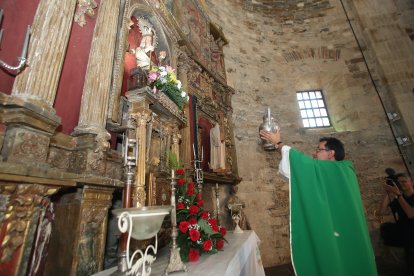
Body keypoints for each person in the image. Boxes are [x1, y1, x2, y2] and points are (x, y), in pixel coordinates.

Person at [259, 130, 377, 276]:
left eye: (318, 150)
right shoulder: (341, 171)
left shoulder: (342, 169)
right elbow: (296, 171)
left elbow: (300, 162)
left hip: (341, 228)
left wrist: (278, 144)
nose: (314, 154)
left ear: (331, 153)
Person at [377, 173, 414, 271]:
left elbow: (411, 214)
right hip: (408, 240)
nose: (401, 184)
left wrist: (398, 195)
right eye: (399, 182)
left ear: (412, 183)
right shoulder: (399, 199)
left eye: (404, 181)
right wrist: (387, 193)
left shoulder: (401, 198)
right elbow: (382, 212)